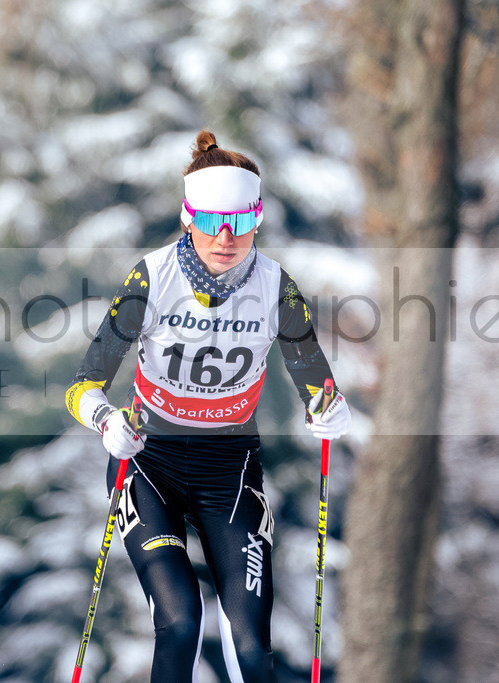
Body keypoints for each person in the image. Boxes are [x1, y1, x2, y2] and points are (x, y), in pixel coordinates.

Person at [65, 130, 351, 681]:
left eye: (241, 222)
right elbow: (82, 384)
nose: (226, 237)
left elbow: (318, 384)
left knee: (249, 644)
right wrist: (107, 423)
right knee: (181, 621)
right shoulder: (151, 278)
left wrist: (329, 409)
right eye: (213, 220)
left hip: (230, 469)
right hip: (150, 465)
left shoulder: (275, 288)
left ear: (258, 220)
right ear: (186, 216)